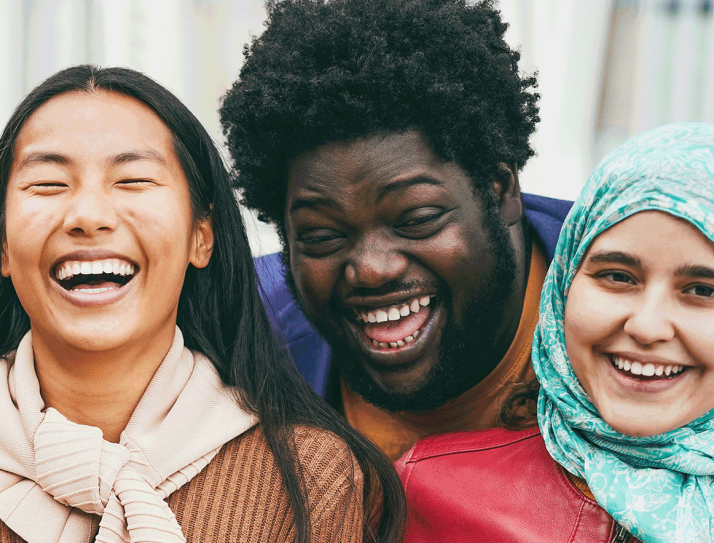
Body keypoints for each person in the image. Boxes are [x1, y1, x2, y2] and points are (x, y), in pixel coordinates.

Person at [0, 65, 404, 543]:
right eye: (48, 185)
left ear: (200, 236)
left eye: (133, 180)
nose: (88, 215)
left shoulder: (309, 477)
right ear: (3, 246)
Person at [219, 0, 574, 460]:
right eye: (323, 236)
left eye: (418, 219)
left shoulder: (648, 312)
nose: (371, 269)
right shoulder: (241, 338)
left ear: (502, 190)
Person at [397, 123, 714, 542]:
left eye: (702, 290)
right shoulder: (430, 495)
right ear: (564, 282)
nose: (646, 326)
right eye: (618, 276)